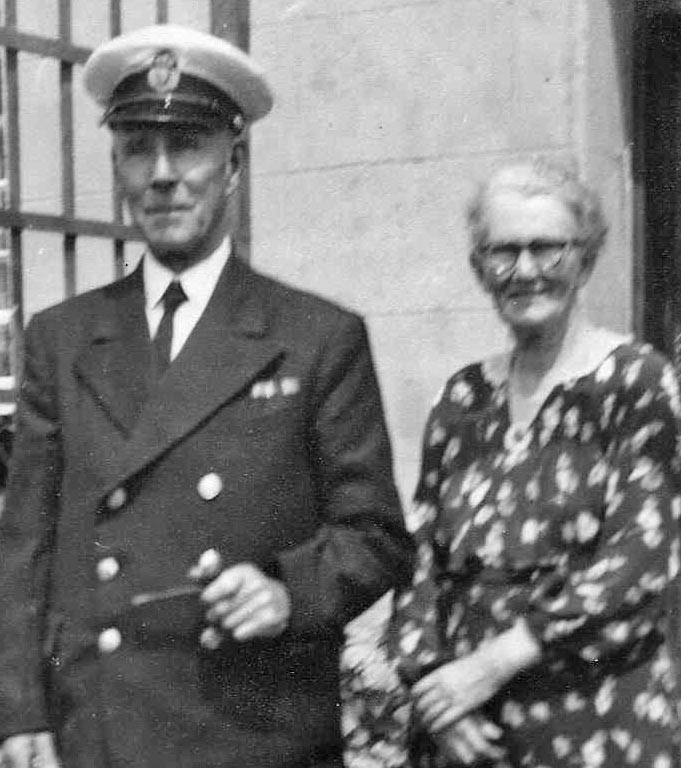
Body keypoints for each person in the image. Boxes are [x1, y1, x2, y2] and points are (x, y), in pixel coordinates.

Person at [0, 24, 413, 768]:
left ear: (233, 165)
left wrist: (287, 591)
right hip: (97, 728)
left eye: (187, 146)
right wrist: (18, 713)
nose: (162, 175)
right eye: (138, 149)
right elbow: (25, 545)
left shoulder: (315, 336)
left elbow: (376, 537)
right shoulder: (62, 339)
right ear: (118, 168)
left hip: (252, 727)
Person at [342, 158, 681, 767]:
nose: (525, 271)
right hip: (466, 732)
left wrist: (489, 668)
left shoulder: (636, 383)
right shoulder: (464, 399)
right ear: (480, 268)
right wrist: (435, 690)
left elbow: (639, 563)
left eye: (547, 248)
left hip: (595, 720)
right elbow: (422, 559)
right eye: (503, 252)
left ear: (585, 259)